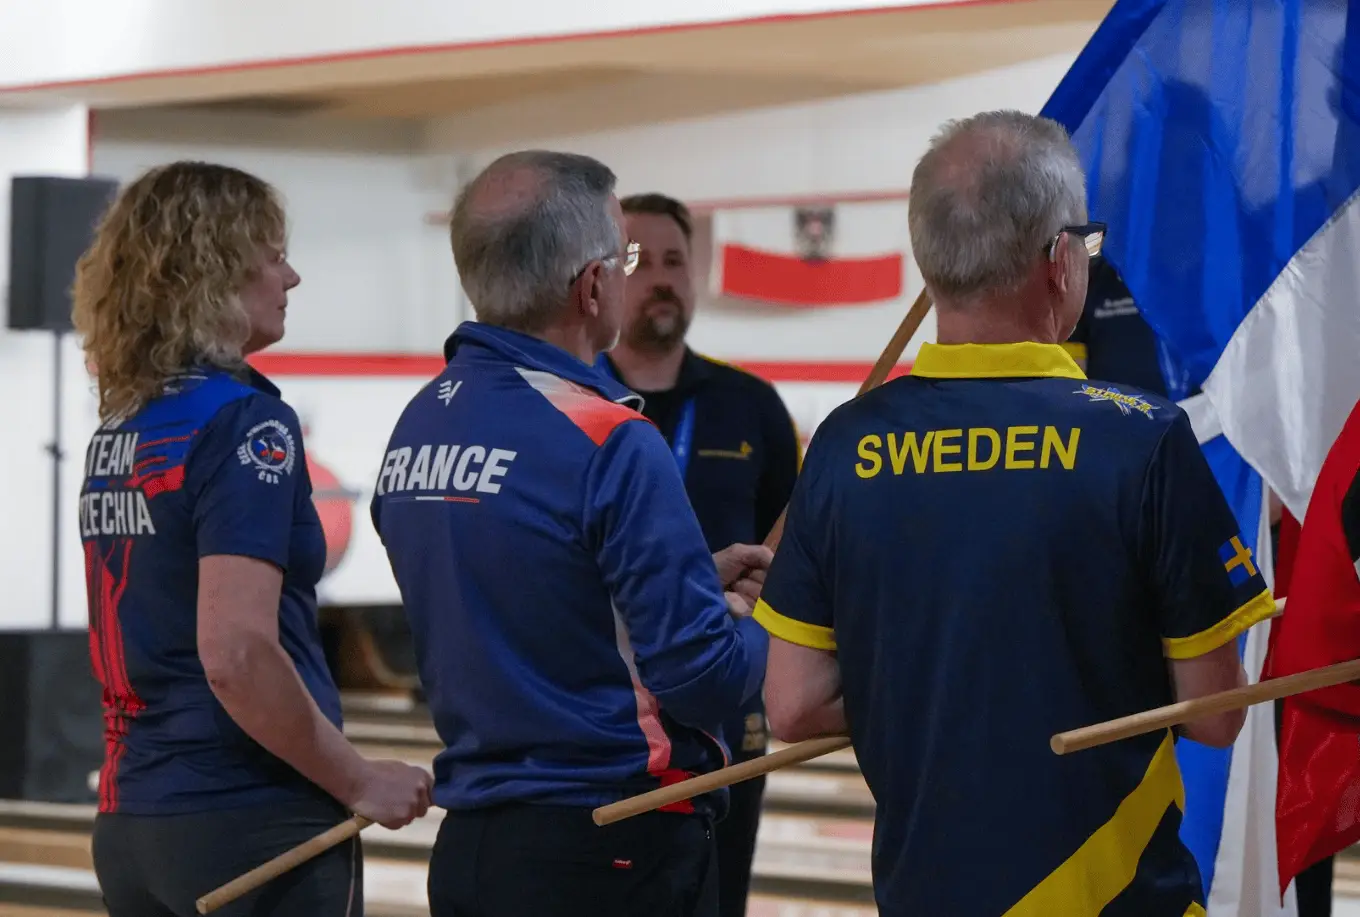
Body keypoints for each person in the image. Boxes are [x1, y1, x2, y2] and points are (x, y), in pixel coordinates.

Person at [753, 110, 1277, 916]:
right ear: (1060, 260)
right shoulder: (1141, 437)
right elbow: (1213, 714)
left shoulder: (844, 445)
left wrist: (945, 694)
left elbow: (790, 705)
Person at [369, 150, 771, 917]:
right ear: (591, 287)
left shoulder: (419, 423)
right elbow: (702, 678)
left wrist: (681, 582)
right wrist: (770, 623)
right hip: (611, 848)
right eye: (624, 259)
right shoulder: (610, 437)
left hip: (475, 847)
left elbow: (532, 585)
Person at [71, 161, 433, 917]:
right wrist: (358, 778)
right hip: (250, 817)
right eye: (274, 255)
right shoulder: (245, 422)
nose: (291, 277)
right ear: (215, 269)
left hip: (133, 823)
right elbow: (235, 652)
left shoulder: (124, 427)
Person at [598, 191, 801, 917]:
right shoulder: (578, 401)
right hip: (604, 708)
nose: (660, 278)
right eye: (637, 260)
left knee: (720, 896)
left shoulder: (749, 404)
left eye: (674, 261)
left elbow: (791, 539)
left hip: (725, 699)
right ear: (600, 275)